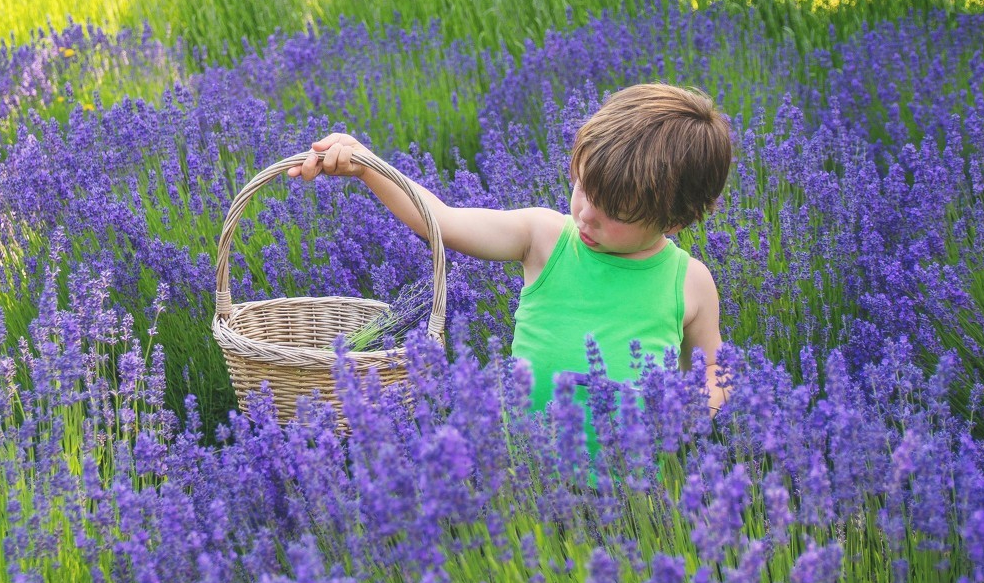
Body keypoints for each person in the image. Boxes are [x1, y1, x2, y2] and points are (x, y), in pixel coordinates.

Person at [287, 82, 732, 470]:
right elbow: (440, 220)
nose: (585, 215)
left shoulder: (689, 282)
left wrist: (691, 414)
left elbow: (716, 369)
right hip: (526, 477)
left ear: (675, 219)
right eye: (581, 187)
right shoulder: (545, 237)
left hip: (632, 489)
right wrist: (367, 164)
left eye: (613, 213)